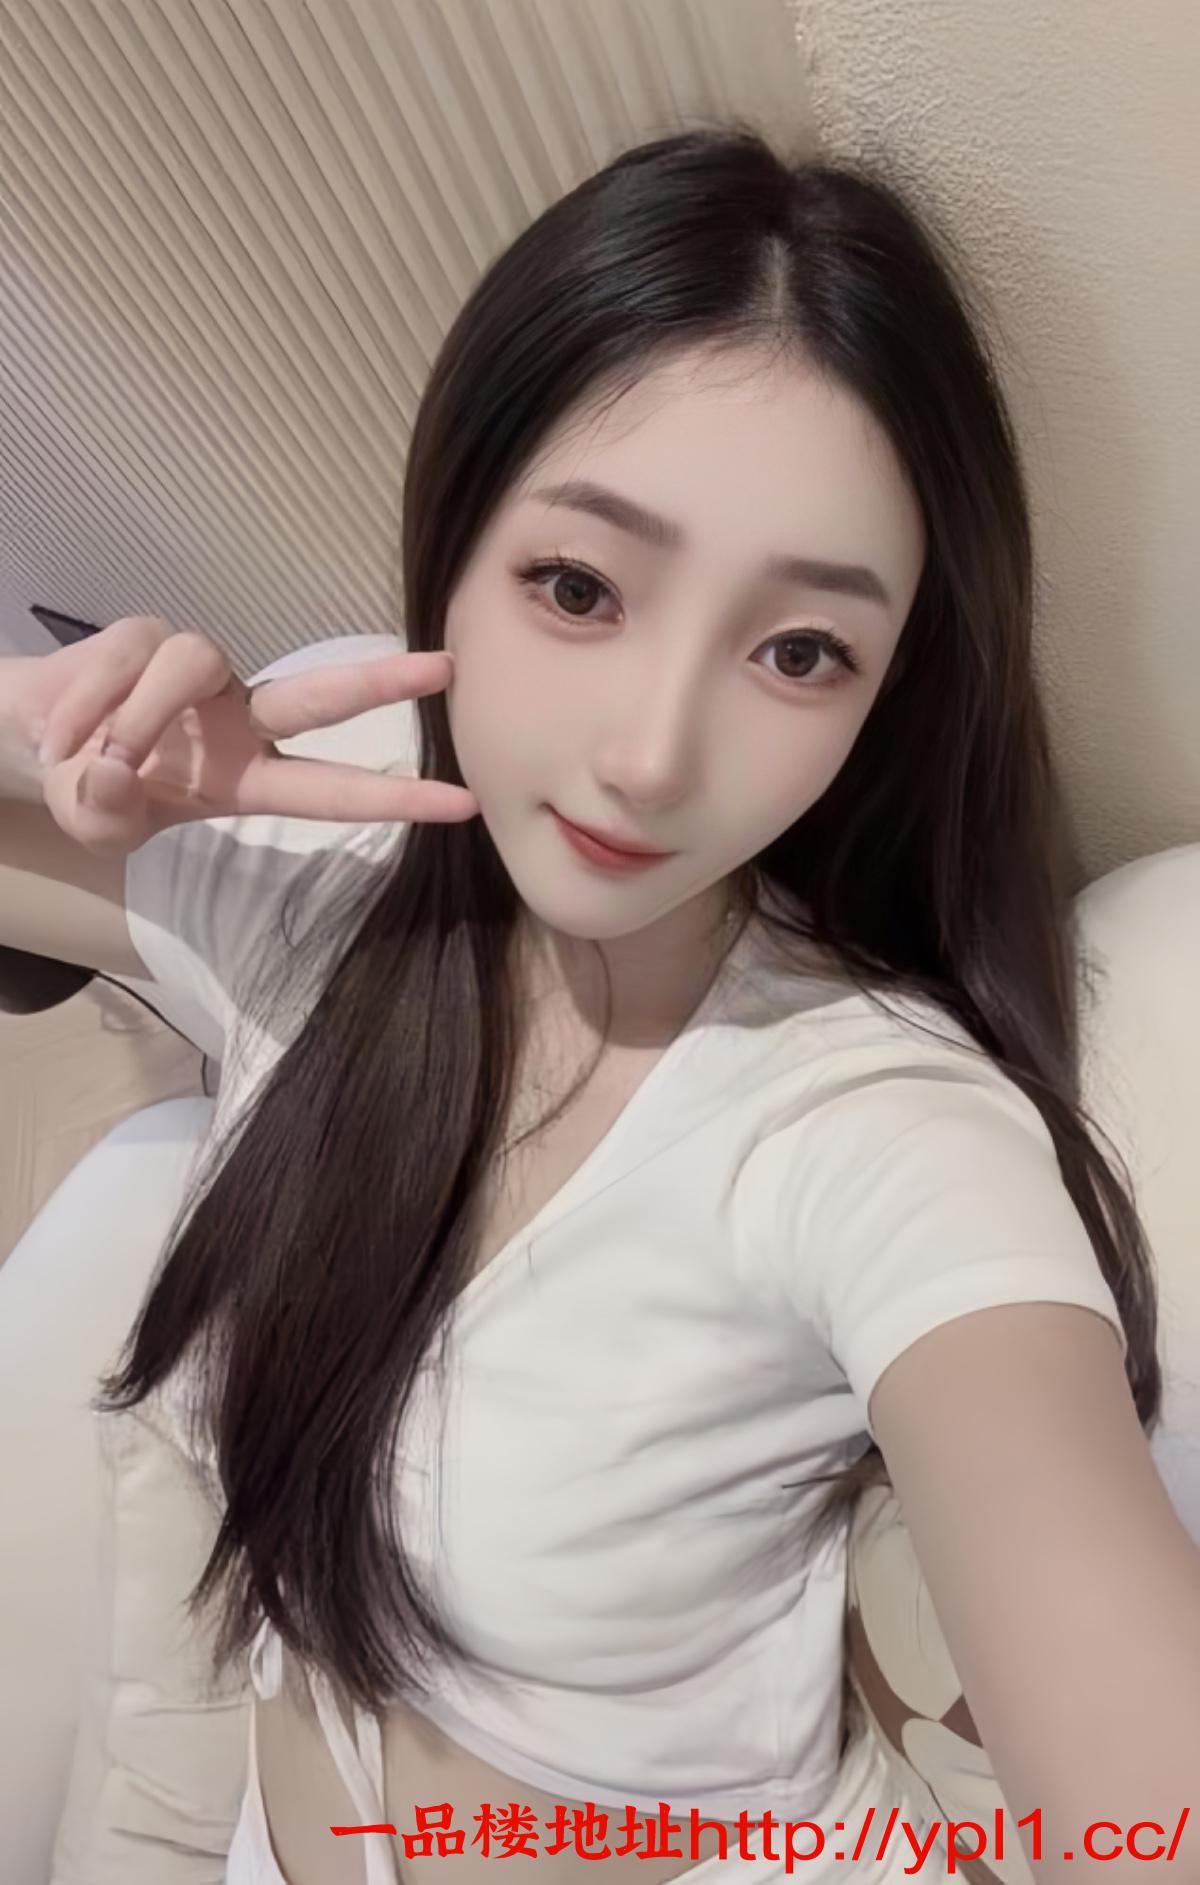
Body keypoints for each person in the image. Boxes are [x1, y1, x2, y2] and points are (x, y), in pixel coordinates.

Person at [1, 124, 1197, 1885]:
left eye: (800, 651)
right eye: (578, 587)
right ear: (453, 538)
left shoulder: (879, 1129)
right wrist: (29, 724)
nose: (651, 755)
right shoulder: (336, 853)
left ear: (887, 693)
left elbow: (1146, 1805)